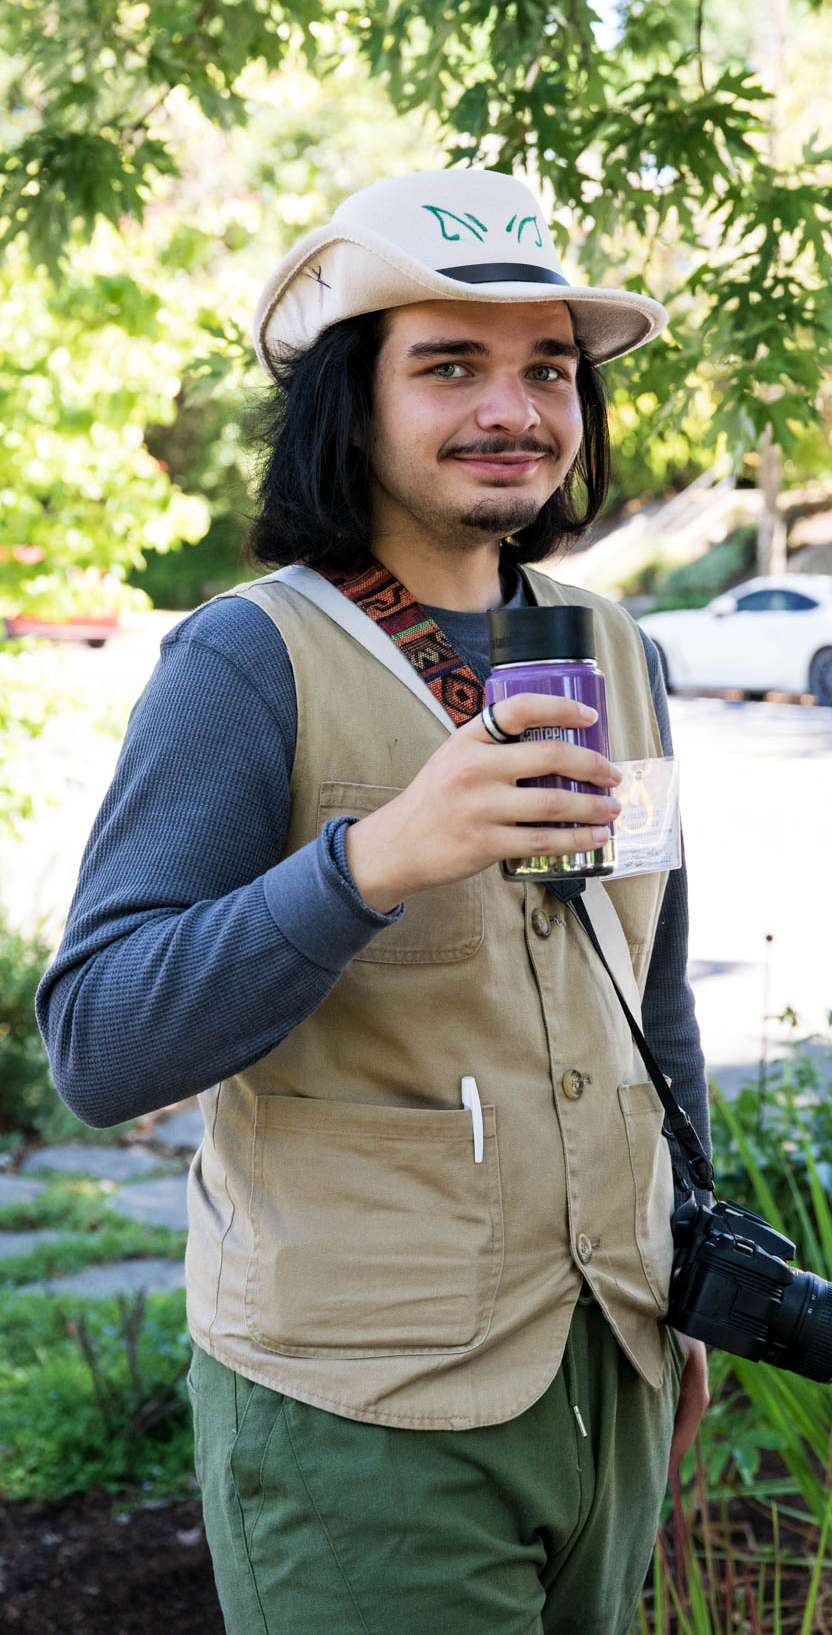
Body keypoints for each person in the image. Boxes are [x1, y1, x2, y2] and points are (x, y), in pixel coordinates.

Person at [36, 169, 711, 1635]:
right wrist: (370, 862)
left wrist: (690, 1271)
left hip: (608, 1357)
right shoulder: (246, 658)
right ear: (354, 403)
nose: (514, 407)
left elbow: (651, 996)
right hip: (362, 1404)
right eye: (449, 363)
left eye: (547, 367)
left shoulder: (616, 647)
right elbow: (98, 1046)